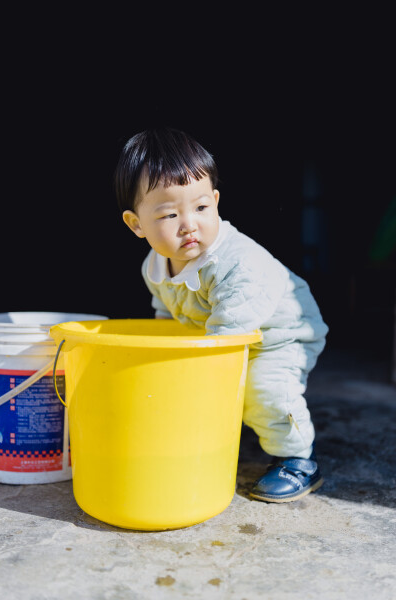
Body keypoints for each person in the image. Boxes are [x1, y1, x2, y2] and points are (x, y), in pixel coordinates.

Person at [114, 127, 329, 503]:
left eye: (200, 208)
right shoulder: (155, 265)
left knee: (263, 392)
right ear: (137, 224)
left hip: (281, 335)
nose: (189, 224)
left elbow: (228, 338)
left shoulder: (238, 264)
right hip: (221, 333)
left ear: (215, 201)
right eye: (168, 214)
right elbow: (167, 313)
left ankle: (298, 459)